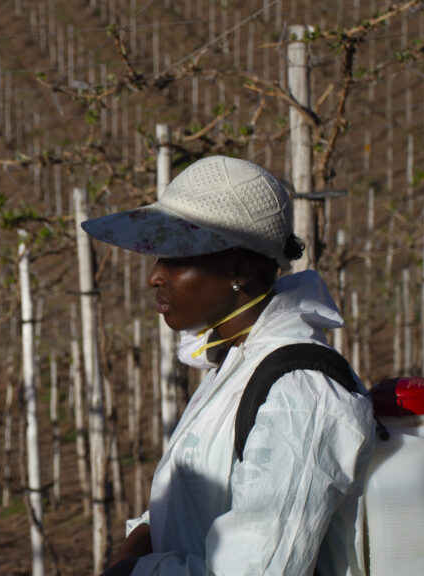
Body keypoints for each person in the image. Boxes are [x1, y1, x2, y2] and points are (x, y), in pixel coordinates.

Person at [82, 156, 375, 575]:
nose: (155, 276)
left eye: (178, 257)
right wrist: (140, 541)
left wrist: (133, 571)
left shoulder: (299, 393)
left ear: (239, 269)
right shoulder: (237, 360)